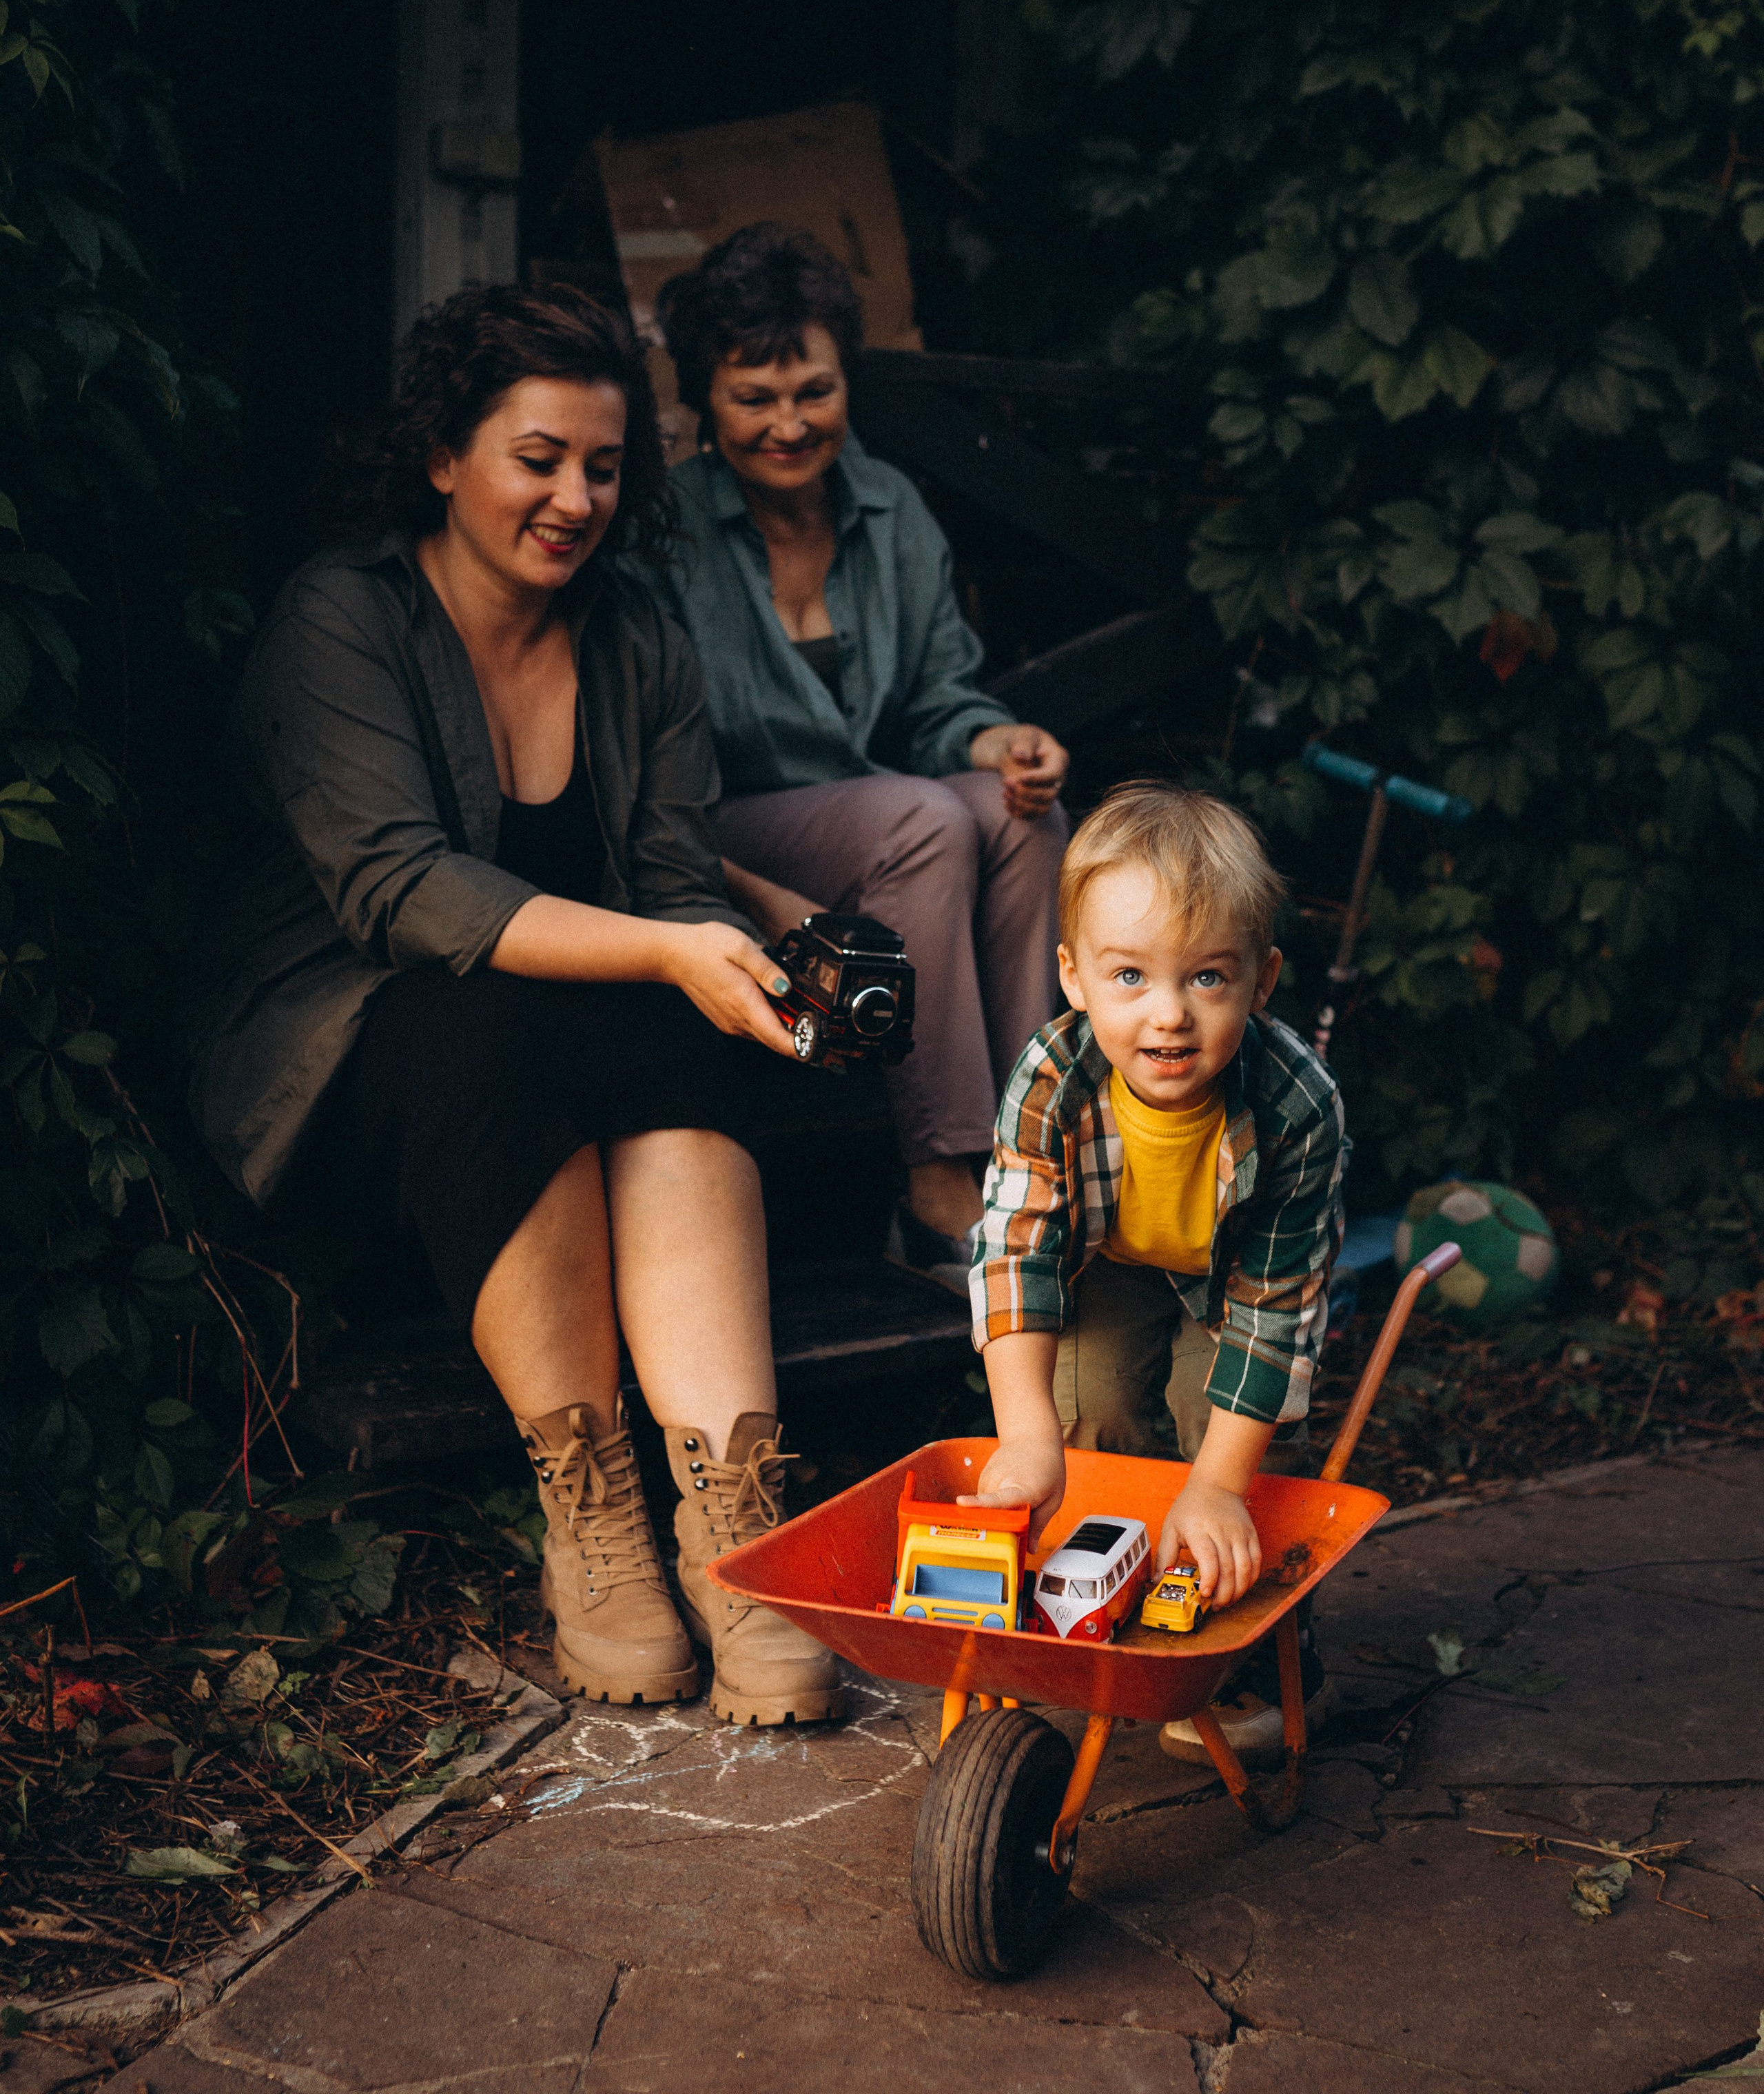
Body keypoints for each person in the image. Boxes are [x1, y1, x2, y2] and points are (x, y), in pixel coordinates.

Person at [185, 283, 841, 1728]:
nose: (574, 498)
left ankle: (735, 1521)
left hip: (561, 1043)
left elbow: (671, 884)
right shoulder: (341, 616)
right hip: (348, 1047)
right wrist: (673, 952)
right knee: (486, 1016)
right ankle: (591, 1505)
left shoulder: (636, 635)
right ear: (443, 456)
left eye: (603, 466)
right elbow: (401, 899)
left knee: (682, 1015)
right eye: (537, 456)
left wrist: (730, 947)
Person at [653, 223, 1070, 1291]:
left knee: (1017, 814)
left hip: (879, 825)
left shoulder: (892, 510)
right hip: (725, 834)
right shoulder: (663, 529)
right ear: (706, 397)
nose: (790, 424)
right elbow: (652, 757)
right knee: (924, 820)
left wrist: (999, 743)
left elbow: (940, 702)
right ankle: (936, 1184)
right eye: (757, 396)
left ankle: (1028, 1159)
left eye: (815, 392)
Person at [963, 781, 1346, 1759]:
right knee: (1089, 1419)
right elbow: (1016, 1251)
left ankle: (1243, 1644)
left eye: (1207, 979)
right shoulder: (1051, 1079)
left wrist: (1217, 1486)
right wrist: (1025, 1436)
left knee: (1216, 1435)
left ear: (1262, 982)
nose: (1169, 1016)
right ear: (1074, 977)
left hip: (1232, 1280)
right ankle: (1111, 1603)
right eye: (1130, 976)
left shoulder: (1298, 1103)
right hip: (1112, 1262)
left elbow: (1273, 1316)